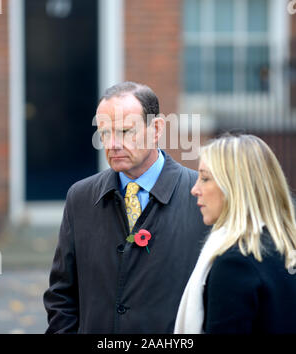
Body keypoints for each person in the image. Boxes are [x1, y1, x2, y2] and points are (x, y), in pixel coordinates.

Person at [43, 81, 209, 333]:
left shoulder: (202, 196)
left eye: (125, 131)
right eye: (105, 133)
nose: (112, 144)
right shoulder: (80, 197)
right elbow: (61, 295)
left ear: (156, 129)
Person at [174, 133, 296, 334]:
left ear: (234, 187)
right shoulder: (285, 246)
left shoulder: (236, 264)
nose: (195, 189)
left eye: (205, 178)